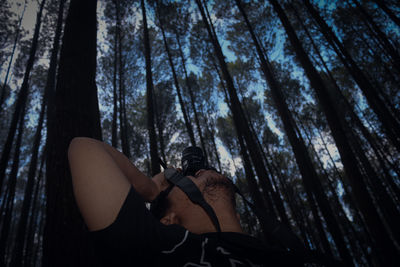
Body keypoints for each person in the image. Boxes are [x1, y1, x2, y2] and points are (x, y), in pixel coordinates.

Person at [68, 137, 303, 266]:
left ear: (239, 216)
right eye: (185, 181)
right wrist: (151, 189)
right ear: (169, 221)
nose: (198, 173)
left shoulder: (287, 257)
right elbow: (84, 148)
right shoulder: (160, 247)